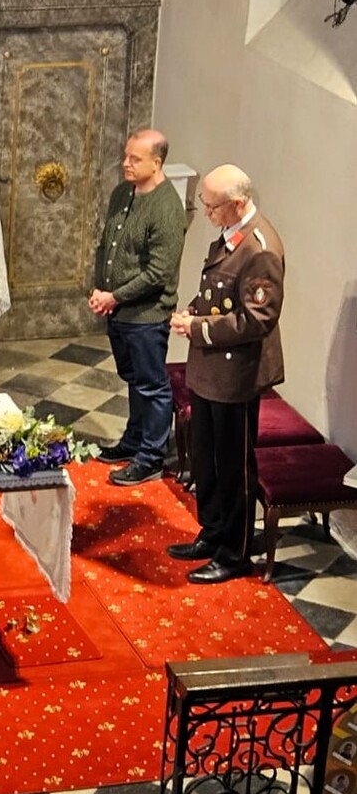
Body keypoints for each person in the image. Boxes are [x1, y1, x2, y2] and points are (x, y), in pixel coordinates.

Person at [169, 164, 285, 584]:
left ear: (237, 203)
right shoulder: (230, 235)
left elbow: (257, 319)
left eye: (212, 206)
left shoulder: (260, 248)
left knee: (233, 466)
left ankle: (235, 552)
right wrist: (192, 313)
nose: (206, 212)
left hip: (236, 375)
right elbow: (218, 293)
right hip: (209, 368)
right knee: (207, 458)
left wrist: (198, 328)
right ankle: (213, 532)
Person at [90, 129, 187, 485]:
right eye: (125, 156)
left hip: (146, 316)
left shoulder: (167, 208)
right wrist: (101, 289)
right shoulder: (122, 193)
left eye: (135, 159)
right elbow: (108, 245)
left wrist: (114, 296)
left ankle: (150, 457)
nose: (125, 163)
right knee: (133, 380)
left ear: (156, 163)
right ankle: (133, 440)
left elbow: (158, 273)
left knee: (152, 385)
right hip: (118, 311)